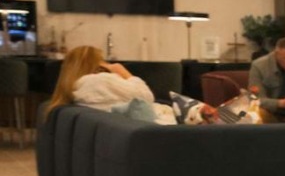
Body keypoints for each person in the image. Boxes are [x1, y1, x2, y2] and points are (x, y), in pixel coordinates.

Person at [44, 46, 207, 123]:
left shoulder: (77, 89)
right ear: (95, 64)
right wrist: (123, 72)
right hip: (158, 126)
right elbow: (146, 97)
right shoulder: (99, 81)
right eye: (102, 60)